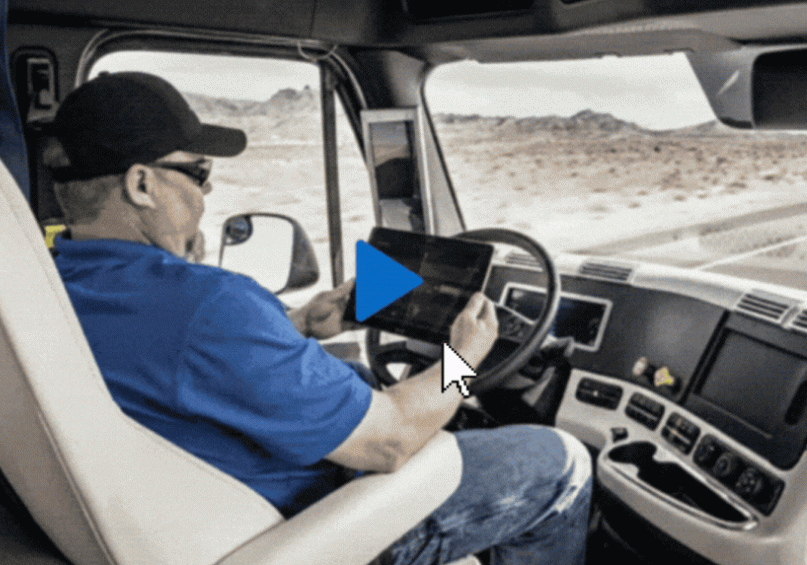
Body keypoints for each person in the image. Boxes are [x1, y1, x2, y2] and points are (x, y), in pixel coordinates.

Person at [50, 71, 593, 564]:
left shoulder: (52, 288)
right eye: (197, 172)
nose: (207, 190)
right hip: (314, 524)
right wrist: (464, 358)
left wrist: (301, 324)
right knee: (559, 461)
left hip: (198, 516)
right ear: (142, 185)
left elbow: (174, 365)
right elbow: (392, 439)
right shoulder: (207, 304)